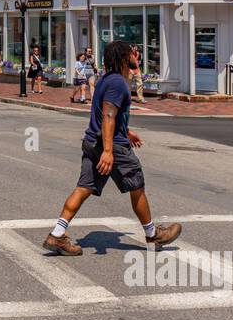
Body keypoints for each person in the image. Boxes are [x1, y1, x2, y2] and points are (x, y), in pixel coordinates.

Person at [43, 39, 182, 256]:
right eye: (132, 52)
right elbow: (108, 115)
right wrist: (108, 151)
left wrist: (126, 131)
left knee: (84, 187)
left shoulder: (105, 80)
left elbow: (107, 115)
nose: (136, 54)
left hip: (92, 141)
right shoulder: (117, 83)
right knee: (137, 186)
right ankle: (153, 234)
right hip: (113, 147)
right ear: (124, 58)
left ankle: (57, 235)